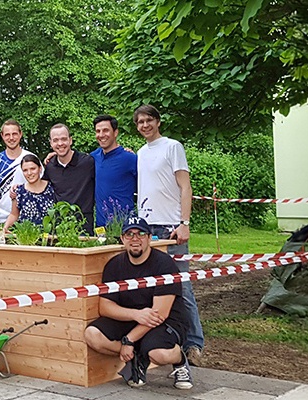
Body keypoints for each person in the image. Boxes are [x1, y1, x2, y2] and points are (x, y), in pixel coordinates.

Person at [83, 217, 193, 390]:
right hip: (135, 318)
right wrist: (135, 315)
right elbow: (105, 307)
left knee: (158, 354)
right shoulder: (114, 265)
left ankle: (180, 361)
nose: (135, 239)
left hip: (166, 320)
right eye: (130, 234)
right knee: (92, 335)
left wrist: (128, 340)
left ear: (149, 238)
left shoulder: (164, 264)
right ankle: (137, 358)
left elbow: (160, 314)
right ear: (122, 239)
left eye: (141, 234)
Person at [134, 104, 204, 366]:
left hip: (170, 227)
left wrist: (184, 222)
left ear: (158, 122)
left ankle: (194, 344)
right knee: (150, 288)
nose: (144, 125)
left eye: (149, 120)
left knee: (181, 287)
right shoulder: (141, 153)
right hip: (147, 229)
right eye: (140, 122)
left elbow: (185, 187)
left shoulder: (173, 147)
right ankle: (160, 341)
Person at [42, 124, 95, 234]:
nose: (60, 143)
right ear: (51, 143)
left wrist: (125, 151)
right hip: (59, 225)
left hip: (84, 224)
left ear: (70, 140)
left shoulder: (88, 162)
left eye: (64, 139)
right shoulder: (50, 166)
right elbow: (39, 187)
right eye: (55, 140)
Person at [0, 120, 32, 230]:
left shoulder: (30, 158)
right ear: (2, 136)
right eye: (7, 134)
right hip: (0, 219)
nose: (11, 138)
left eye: (14, 134)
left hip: (25, 221)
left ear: (20, 134)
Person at [91, 115, 137, 228]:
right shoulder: (93, 157)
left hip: (125, 226)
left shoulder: (130, 158)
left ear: (115, 132)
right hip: (100, 227)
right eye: (98, 131)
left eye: (106, 130)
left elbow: (146, 187)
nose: (101, 135)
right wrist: (54, 155)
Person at [3, 154, 55, 231]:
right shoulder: (19, 191)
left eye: (33, 169)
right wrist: (5, 229)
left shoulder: (52, 188)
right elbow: (14, 214)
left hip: (49, 237)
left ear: (40, 169)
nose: (29, 173)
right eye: (25, 170)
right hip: (26, 236)